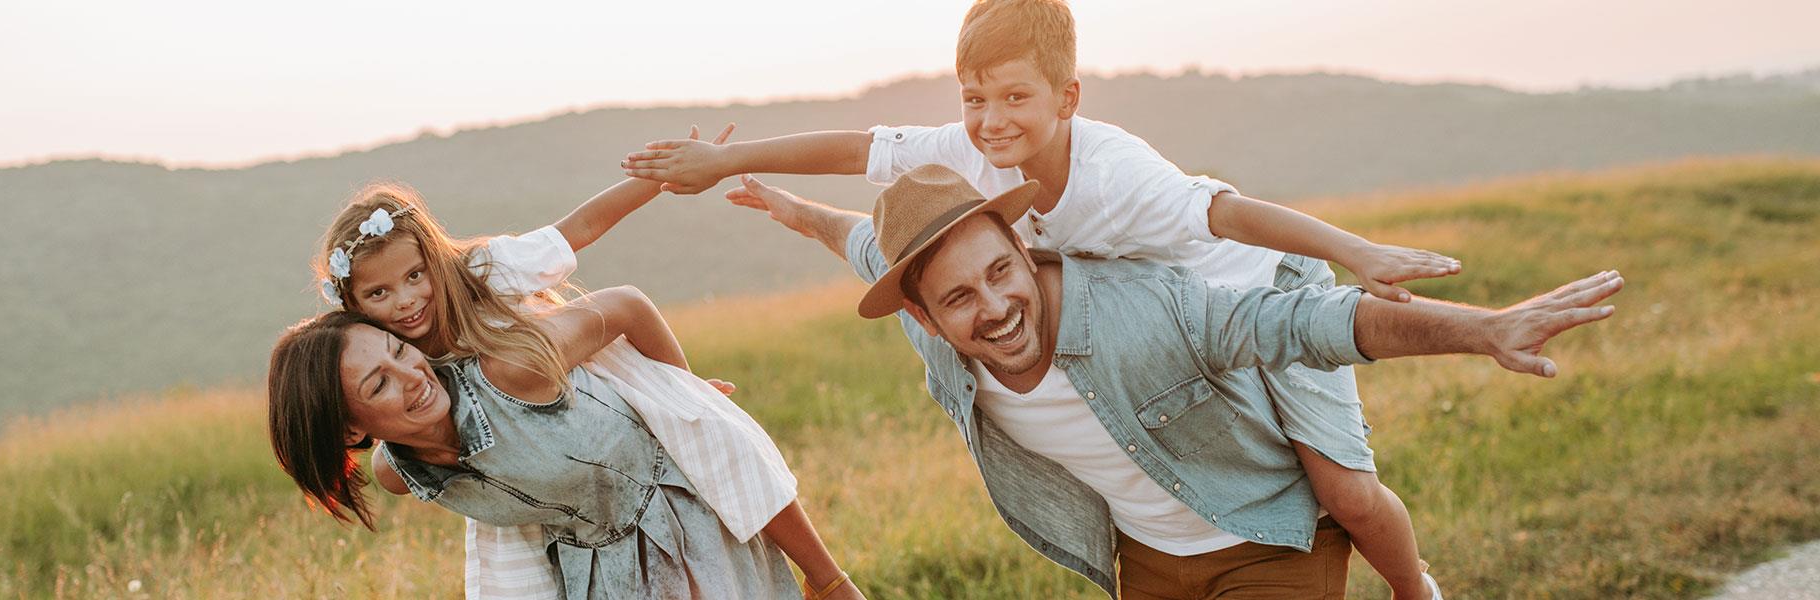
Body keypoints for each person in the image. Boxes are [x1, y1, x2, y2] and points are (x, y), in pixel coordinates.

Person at [622, 2, 1458, 595]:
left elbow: (1231, 213)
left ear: (1068, 98)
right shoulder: (967, 147)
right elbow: (855, 152)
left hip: (1259, 293)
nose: (989, 120)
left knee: (1340, 493)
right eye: (974, 97)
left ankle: (1415, 587)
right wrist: (735, 168)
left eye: (1014, 96)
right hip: (1161, 332)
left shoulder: (1117, 173)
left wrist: (1354, 250)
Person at [727, 164, 1619, 599]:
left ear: (1021, 247)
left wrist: (1484, 329)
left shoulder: (1142, 310)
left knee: (1353, 494)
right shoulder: (938, 343)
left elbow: (1307, 325)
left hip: (1268, 532)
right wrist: (788, 205)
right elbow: (855, 238)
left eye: (1002, 271)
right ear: (922, 317)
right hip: (1148, 567)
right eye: (958, 298)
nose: (994, 307)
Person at [291, 125, 863, 599]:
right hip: (529, 469)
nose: (406, 301)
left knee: (711, 439)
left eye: (414, 276)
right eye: (380, 295)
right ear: (357, 307)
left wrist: (681, 389)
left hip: (584, 372)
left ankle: (828, 580)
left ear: (433, 259)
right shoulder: (395, 360)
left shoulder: (483, 271)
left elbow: (581, 230)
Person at [268, 310, 807, 598]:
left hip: (687, 527)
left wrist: (681, 398)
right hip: (600, 576)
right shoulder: (397, 472)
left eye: (399, 351)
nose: (413, 376)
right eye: (379, 384)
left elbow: (625, 304)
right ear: (348, 430)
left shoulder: (506, 373)